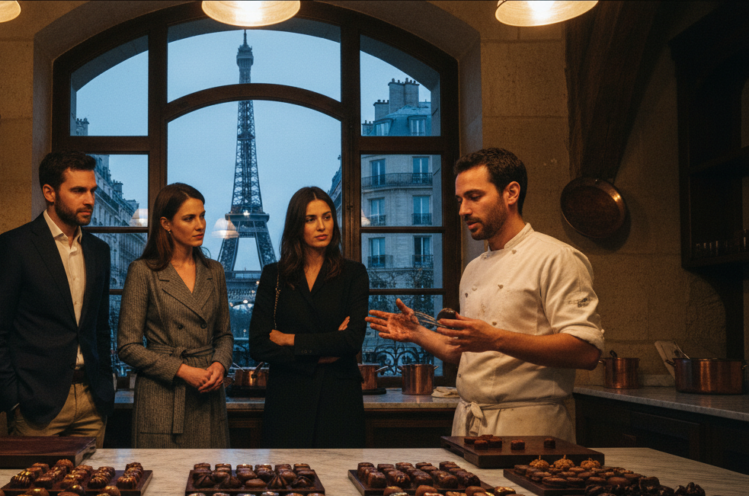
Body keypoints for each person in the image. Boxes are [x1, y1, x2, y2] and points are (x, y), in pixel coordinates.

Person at [366, 148, 604, 441]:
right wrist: (417, 333)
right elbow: (463, 351)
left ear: (511, 193)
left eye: (474, 197)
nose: (463, 210)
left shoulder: (556, 258)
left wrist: (495, 338)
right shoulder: (474, 268)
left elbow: (586, 350)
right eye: (459, 200)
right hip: (469, 423)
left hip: (530, 428)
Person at [0, 151, 115, 446]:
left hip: (93, 401)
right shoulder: (14, 246)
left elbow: (100, 327)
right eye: (78, 190)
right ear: (49, 192)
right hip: (35, 406)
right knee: (33, 491)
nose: (90, 200)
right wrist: (12, 399)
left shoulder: (98, 251)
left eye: (92, 191)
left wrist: (105, 383)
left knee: (91, 491)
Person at [249, 186, 369, 448]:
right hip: (288, 402)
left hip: (339, 402)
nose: (321, 226)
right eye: (310, 219)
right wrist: (323, 352)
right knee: (287, 484)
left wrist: (289, 339)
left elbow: (351, 341)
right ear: (296, 225)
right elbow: (258, 344)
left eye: (327, 217)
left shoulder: (354, 274)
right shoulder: (274, 275)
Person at [117, 183, 233, 448]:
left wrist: (219, 365)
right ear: (166, 223)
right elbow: (127, 346)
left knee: (210, 483)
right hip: (162, 398)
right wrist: (181, 370)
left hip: (208, 394)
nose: (200, 224)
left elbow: (224, 335)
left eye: (202, 215)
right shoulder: (143, 271)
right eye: (189, 218)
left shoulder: (214, 271)